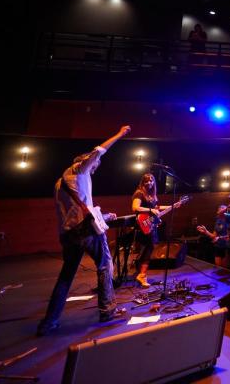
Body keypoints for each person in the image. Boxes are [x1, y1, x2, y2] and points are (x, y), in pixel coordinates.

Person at [37, 126, 131, 336]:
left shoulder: (59, 183)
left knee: (66, 276)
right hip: (86, 231)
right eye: (94, 166)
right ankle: (107, 311)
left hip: (69, 234)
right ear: (85, 161)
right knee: (105, 264)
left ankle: (49, 322)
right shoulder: (79, 170)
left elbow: (75, 211)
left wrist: (103, 216)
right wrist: (120, 134)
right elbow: (99, 150)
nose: (95, 168)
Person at [130, 172, 183, 287]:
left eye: (151, 180)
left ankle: (142, 274)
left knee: (149, 249)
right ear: (142, 182)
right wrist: (150, 211)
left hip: (151, 225)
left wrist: (173, 206)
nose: (149, 182)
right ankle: (141, 275)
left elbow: (157, 208)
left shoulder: (152, 195)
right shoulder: (139, 193)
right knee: (146, 250)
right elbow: (135, 207)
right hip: (142, 224)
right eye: (146, 181)